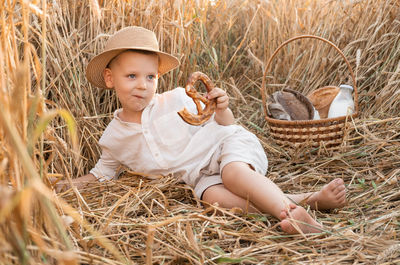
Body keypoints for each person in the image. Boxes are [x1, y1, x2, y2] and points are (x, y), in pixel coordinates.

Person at [57, 26, 347, 234]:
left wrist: (221, 107)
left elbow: (226, 125)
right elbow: (101, 174)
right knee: (213, 201)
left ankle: (292, 215)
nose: (142, 85)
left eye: (149, 76)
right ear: (110, 79)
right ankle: (309, 201)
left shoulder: (179, 99)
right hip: (201, 178)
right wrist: (67, 185)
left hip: (226, 147)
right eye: (131, 76)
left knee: (233, 174)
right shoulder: (114, 138)